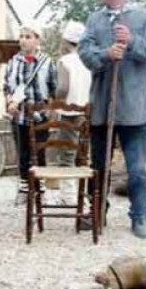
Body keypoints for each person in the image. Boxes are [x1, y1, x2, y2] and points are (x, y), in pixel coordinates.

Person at [78, 0, 146, 239]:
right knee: (99, 166)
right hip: (103, 109)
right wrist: (106, 54)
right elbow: (84, 51)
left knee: (137, 170)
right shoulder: (94, 20)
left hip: (133, 109)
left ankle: (139, 217)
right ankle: (97, 213)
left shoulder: (143, 17)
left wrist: (131, 42)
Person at [3, 22, 57, 200]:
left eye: (28, 37)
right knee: (23, 153)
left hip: (39, 116)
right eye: (21, 37)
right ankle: (25, 189)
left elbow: (53, 88)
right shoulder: (13, 62)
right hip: (19, 116)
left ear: (37, 39)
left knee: (39, 152)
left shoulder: (47, 63)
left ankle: (40, 189)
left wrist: (49, 109)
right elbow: (6, 87)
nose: (24, 41)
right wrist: (10, 102)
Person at [55, 21, 92, 205]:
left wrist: (54, 100)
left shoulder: (65, 61)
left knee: (67, 155)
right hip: (87, 112)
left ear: (66, 41)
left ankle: (68, 197)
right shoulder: (89, 60)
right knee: (85, 154)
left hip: (69, 113)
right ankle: (85, 195)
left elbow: (62, 88)